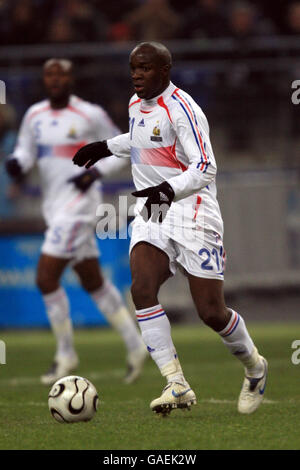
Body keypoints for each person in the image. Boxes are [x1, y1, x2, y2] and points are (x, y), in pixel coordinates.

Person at [72, 42, 268, 416]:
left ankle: (255, 367)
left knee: (211, 312)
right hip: (155, 211)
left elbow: (206, 167)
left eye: (144, 68)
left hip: (193, 211)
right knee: (142, 288)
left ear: (165, 70)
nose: (136, 75)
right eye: (133, 68)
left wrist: (168, 187)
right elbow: (142, 139)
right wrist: (106, 147)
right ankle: (175, 382)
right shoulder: (135, 104)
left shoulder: (183, 108)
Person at [5, 58, 148, 386]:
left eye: (62, 74)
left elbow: (122, 149)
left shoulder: (90, 114)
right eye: (50, 75)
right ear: (44, 80)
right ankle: (135, 344)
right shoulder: (34, 115)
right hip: (53, 206)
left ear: (71, 79)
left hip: (81, 207)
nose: (55, 80)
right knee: (92, 280)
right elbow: (27, 152)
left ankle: (66, 352)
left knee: (45, 277)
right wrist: (17, 163)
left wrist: (95, 172)